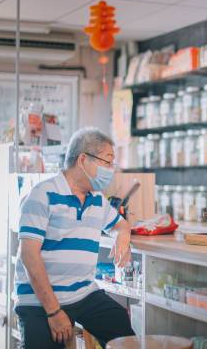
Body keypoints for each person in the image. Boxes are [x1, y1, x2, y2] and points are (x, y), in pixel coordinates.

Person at [14, 127, 134, 348]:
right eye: (107, 162)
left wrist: (122, 235)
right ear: (83, 160)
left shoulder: (97, 199)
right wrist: (54, 311)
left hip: (82, 293)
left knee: (120, 327)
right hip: (40, 301)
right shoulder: (42, 194)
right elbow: (28, 256)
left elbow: (119, 224)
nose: (111, 170)